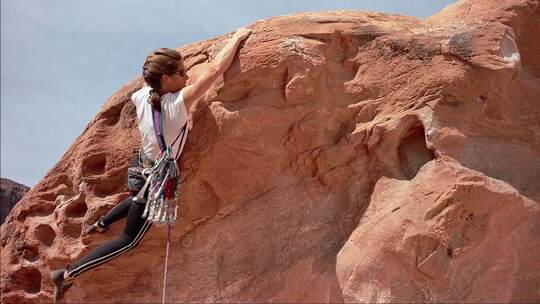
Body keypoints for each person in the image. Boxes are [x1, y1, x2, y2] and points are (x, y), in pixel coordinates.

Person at [50, 27, 252, 303]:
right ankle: (67, 275)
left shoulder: (142, 96)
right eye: (181, 72)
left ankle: (102, 221)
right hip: (155, 177)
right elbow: (216, 70)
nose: (187, 75)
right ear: (166, 78)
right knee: (129, 240)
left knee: (137, 198)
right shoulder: (176, 106)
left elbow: (160, 79)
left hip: (142, 167)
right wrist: (238, 37)